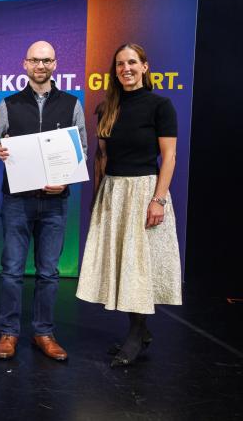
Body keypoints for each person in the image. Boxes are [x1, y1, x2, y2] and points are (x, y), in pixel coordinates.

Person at [76, 43, 181, 367]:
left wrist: (158, 200)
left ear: (145, 66)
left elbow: (170, 157)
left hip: (145, 192)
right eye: (120, 64)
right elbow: (101, 157)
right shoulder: (106, 107)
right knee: (121, 264)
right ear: (115, 70)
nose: (127, 68)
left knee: (137, 266)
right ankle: (140, 331)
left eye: (132, 62)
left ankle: (136, 335)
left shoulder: (160, 106)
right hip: (113, 193)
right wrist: (98, 197)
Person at [0, 40, 87, 361]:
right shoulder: (9, 103)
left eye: (46, 61)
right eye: (34, 60)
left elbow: (81, 150)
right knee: (12, 270)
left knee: (49, 272)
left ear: (55, 64)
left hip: (56, 202)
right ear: (25, 64)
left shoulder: (72, 104)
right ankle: (9, 333)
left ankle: (44, 333)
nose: (40, 66)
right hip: (17, 200)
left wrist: (67, 178)